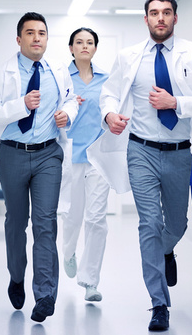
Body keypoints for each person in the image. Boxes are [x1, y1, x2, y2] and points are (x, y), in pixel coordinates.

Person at [87, 0, 192, 331]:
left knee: (178, 225)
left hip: (180, 151)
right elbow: (109, 93)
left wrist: (176, 102)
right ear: (146, 19)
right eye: (154, 13)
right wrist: (109, 114)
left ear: (175, 18)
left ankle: (165, 250)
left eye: (166, 13)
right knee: (148, 224)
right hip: (140, 150)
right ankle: (158, 303)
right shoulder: (128, 57)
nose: (160, 18)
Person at [0, 12, 78, 323]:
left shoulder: (57, 72)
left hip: (49, 154)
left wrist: (67, 113)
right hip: (12, 154)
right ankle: (16, 275)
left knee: (45, 222)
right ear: (19, 39)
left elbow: (71, 100)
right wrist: (21, 105)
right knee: (15, 223)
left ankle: (45, 294)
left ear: (48, 39)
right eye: (30, 33)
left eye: (42, 33)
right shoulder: (2, 74)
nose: (37, 38)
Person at [59, 27, 110, 302]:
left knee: (97, 218)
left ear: (95, 48)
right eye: (79, 42)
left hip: (98, 157)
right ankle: (68, 252)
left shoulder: (107, 79)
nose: (84, 46)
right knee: (72, 215)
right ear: (71, 48)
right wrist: (68, 105)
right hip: (72, 155)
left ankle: (90, 281)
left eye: (89, 42)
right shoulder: (62, 78)